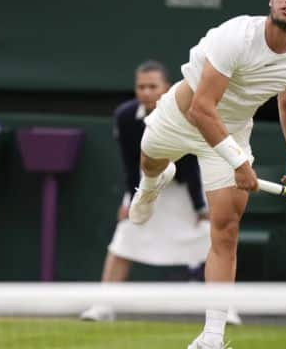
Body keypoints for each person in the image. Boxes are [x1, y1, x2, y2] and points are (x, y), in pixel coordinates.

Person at [128, 0, 286, 349]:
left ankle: (212, 336)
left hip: (231, 130)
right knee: (149, 160)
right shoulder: (236, 36)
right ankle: (152, 184)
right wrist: (238, 162)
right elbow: (202, 108)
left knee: (226, 228)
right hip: (183, 117)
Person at [80, 60, 242, 325]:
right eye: (141, 87)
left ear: (165, 88)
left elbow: (189, 165)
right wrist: (133, 198)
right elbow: (130, 163)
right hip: (147, 186)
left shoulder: (185, 111)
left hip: (187, 188)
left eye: (152, 86)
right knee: (123, 240)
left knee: (214, 244)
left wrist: (200, 208)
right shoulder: (125, 116)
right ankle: (103, 306)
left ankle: (226, 310)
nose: (146, 92)